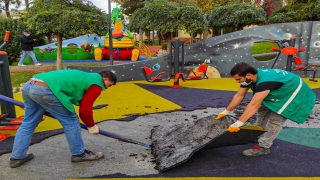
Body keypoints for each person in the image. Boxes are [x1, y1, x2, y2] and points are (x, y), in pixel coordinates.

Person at [9, 69, 117, 168]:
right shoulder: (97, 83)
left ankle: (17, 157)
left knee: (28, 122)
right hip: (44, 89)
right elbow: (84, 110)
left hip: (30, 85)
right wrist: (91, 125)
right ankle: (79, 154)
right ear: (105, 79)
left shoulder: (86, 76)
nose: (106, 88)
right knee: (71, 121)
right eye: (109, 85)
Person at [216, 62, 316, 156]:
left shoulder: (265, 82)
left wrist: (238, 123)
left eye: (238, 79)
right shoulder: (249, 78)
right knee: (262, 111)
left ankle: (263, 147)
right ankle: (256, 134)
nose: (238, 82)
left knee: (275, 120)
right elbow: (239, 96)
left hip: (295, 93)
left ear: (249, 75)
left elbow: (253, 105)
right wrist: (226, 111)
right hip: (281, 90)